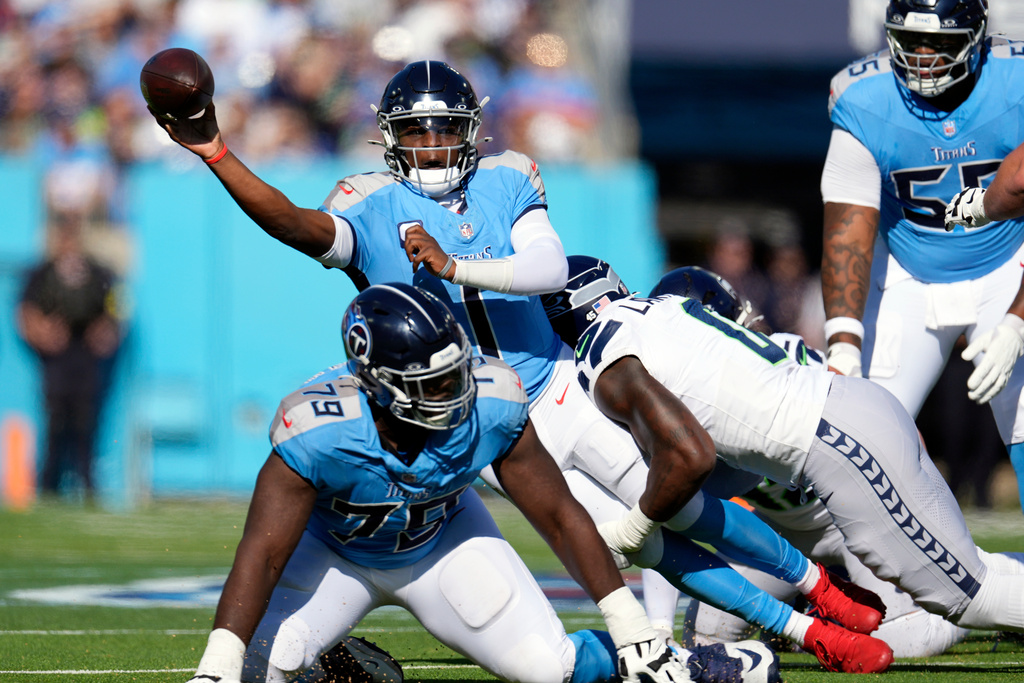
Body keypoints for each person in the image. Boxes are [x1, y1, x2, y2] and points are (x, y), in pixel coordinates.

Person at [151, 60, 887, 674]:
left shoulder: (507, 177)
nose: (434, 146)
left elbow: (544, 267)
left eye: (446, 130)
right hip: (484, 420)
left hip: (555, 386)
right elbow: (292, 220)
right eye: (417, 132)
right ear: (390, 138)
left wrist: (457, 265)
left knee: (683, 506)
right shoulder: (368, 202)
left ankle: (819, 587)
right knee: (648, 543)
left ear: (472, 133)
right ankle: (802, 634)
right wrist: (217, 151)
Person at [188, 283, 767, 683]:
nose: (456, 391)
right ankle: (342, 666)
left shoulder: (491, 402)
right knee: (255, 666)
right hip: (336, 553)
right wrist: (216, 661)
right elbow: (263, 552)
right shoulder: (317, 430)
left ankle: (692, 666)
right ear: (377, 383)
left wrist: (628, 620)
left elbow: (561, 515)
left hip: (443, 542)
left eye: (455, 372)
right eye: (433, 383)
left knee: (548, 667)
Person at [546, 254, 1024, 648]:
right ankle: (811, 607)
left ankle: (1003, 578)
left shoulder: (615, 354)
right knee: (709, 637)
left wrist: (636, 524)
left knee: (944, 609)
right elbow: (700, 486)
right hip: (796, 520)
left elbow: (690, 464)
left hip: (838, 481)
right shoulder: (668, 339)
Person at [642, 266, 973, 659]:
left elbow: (883, 422)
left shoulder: (784, 356)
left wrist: (919, 506)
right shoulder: (672, 407)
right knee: (706, 639)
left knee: (908, 640)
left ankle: (988, 586)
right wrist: (658, 629)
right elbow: (657, 512)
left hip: (857, 515)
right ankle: (809, 608)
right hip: (783, 534)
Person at [819, 0, 1024, 508]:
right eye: (911, 42)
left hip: (1007, 260)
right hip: (907, 271)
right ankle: (834, 582)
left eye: (941, 43)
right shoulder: (865, 97)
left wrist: (1018, 320)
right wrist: (842, 344)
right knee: (853, 440)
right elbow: (848, 228)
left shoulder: (1015, 79)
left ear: (977, 39)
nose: (925, 56)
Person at [16, 213, 122, 501]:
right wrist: (42, 332)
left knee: (86, 424)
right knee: (55, 423)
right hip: (56, 360)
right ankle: (48, 486)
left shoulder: (99, 274)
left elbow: (115, 311)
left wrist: (106, 332)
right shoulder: (42, 274)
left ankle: (88, 485)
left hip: (85, 359)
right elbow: (25, 312)